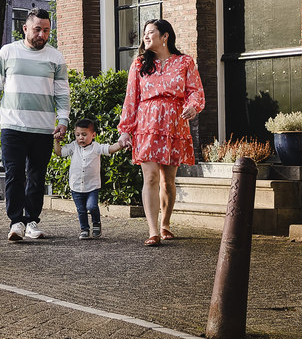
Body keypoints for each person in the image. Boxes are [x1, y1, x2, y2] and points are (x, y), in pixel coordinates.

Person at [0, 7, 70, 241]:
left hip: (43, 127)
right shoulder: (8, 52)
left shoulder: (55, 57)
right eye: (37, 30)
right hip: (12, 125)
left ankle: (32, 220)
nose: (41, 35)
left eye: (46, 31)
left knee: (37, 175)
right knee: (14, 174)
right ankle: (15, 222)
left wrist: (63, 120)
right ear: (25, 29)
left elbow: (62, 93)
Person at [118, 18, 205, 246]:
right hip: (146, 125)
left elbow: (195, 91)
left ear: (165, 36)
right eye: (145, 33)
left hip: (174, 124)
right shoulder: (139, 64)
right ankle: (153, 230)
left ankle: (166, 224)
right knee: (151, 177)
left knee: (168, 180)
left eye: (150, 33)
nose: (145, 37)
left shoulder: (185, 62)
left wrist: (192, 106)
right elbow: (131, 99)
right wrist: (125, 129)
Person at [55, 118, 124, 239]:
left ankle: (96, 223)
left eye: (84, 134)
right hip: (76, 186)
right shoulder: (74, 146)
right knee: (81, 210)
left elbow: (110, 149)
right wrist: (56, 141)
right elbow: (59, 152)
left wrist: (122, 143)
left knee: (92, 206)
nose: (80, 137)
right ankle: (84, 229)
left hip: (92, 186)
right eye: (77, 135)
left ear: (93, 135)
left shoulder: (96, 147)